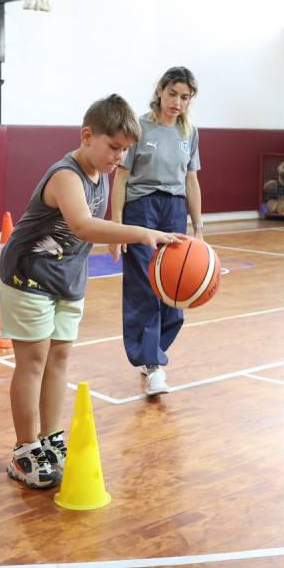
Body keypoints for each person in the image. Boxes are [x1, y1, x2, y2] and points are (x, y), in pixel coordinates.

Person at [0, 94, 185, 490]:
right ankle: (24, 450)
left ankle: (50, 440)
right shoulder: (66, 176)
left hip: (67, 279)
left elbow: (91, 228)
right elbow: (82, 225)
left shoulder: (103, 173)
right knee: (33, 362)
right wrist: (140, 233)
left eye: (125, 150)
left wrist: (115, 234)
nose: (120, 157)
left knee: (59, 359)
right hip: (29, 276)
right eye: (114, 147)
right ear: (87, 136)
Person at [109, 67, 203, 397]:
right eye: (173, 93)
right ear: (160, 90)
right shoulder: (139, 127)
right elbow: (121, 178)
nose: (178, 102)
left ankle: (153, 353)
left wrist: (198, 228)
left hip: (174, 210)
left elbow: (191, 181)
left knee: (174, 287)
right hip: (141, 209)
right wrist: (116, 228)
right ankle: (152, 364)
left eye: (185, 97)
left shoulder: (189, 133)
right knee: (144, 285)